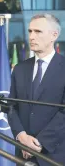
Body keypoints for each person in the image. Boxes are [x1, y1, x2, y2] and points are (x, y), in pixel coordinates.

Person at [8, 14, 65, 166]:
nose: (32, 36)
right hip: (23, 153)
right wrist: (22, 137)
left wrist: (39, 143)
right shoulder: (19, 69)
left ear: (54, 35)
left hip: (54, 155)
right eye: (30, 31)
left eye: (38, 31)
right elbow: (11, 107)